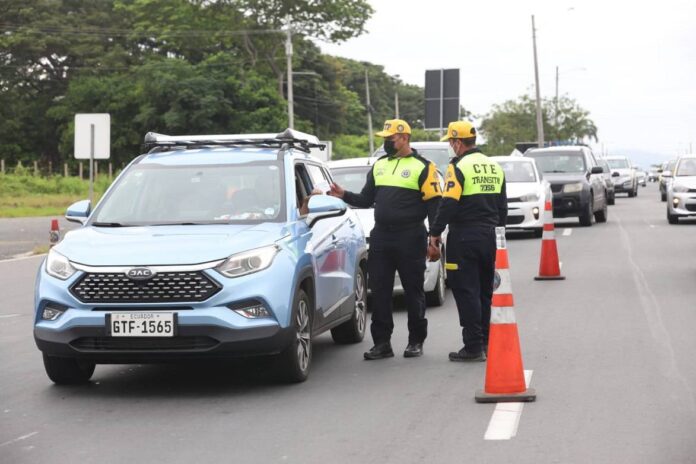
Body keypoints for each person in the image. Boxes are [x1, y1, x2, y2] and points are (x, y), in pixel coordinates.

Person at [329, 119, 441, 359]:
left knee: (413, 290)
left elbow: (434, 205)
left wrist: (434, 239)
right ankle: (382, 343)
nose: (385, 143)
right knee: (379, 290)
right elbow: (366, 199)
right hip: (381, 235)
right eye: (384, 139)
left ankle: (415, 341)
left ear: (404, 138)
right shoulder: (380, 165)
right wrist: (344, 194)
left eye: (389, 139)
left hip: (411, 235)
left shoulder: (423, 166)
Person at [428, 121, 507, 362]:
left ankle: (473, 346)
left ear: (457, 142)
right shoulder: (494, 167)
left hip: (464, 237)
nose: (451, 147)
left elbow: (449, 202)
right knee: (485, 290)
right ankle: (485, 341)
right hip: (490, 236)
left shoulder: (457, 167)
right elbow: (502, 207)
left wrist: (434, 233)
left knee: (466, 291)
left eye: (451, 143)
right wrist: (500, 239)